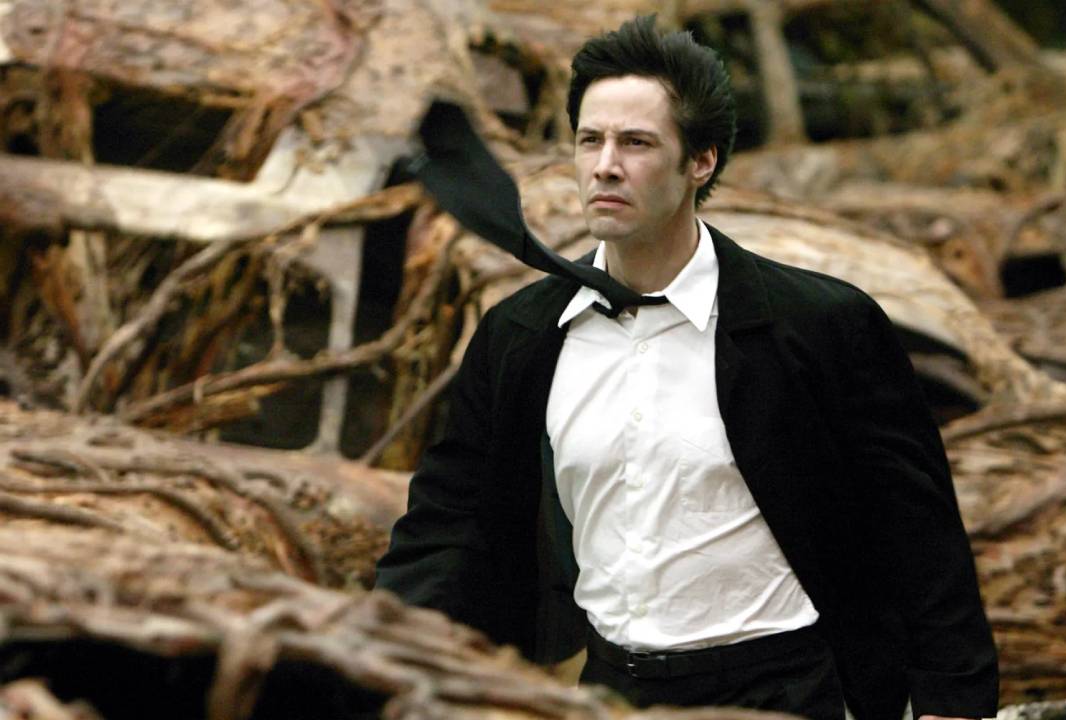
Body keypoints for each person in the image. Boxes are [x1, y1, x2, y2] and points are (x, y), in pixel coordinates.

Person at [375, 15, 998, 720]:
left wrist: (953, 701)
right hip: (611, 691)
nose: (605, 165)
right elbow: (450, 516)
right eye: (590, 140)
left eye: (636, 143)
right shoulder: (521, 334)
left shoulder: (820, 324)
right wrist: (376, 649)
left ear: (700, 161)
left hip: (783, 690)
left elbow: (918, 530)